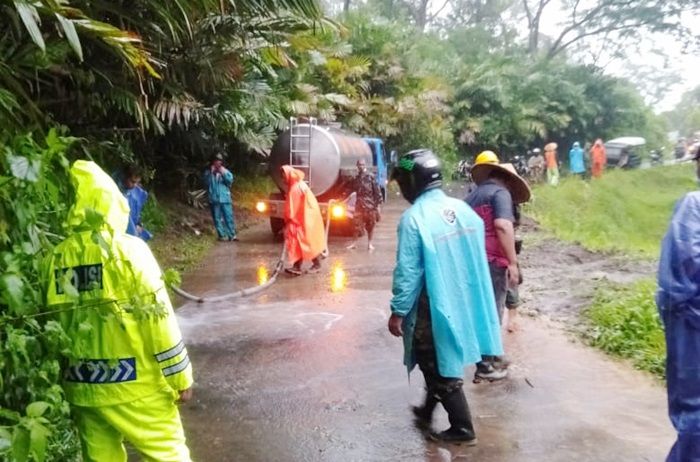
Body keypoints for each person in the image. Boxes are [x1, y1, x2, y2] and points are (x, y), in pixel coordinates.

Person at [44, 160, 193, 462]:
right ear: (113, 202)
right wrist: (180, 376)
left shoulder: (56, 258)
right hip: (136, 385)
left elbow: (53, 325)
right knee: (168, 453)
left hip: (83, 386)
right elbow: (159, 319)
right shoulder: (129, 251)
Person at [388, 149, 502, 444]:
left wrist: (398, 310)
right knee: (438, 361)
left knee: (435, 362)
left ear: (412, 182)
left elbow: (408, 271)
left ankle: (463, 428)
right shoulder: (463, 210)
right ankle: (426, 413)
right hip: (462, 299)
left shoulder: (414, 218)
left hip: (432, 305)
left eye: (402, 183)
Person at [467, 151, 531, 381]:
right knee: (492, 311)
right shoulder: (500, 193)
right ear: (507, 180)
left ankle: (492, 356)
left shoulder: (473, 197)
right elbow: (503, 226)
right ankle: (485, 366)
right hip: (493, 260)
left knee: (481, 309)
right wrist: (513, 263)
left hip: (473, 261)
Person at [657, 191, 700, 461]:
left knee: (693, 406)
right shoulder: (694, 205)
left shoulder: (693, 205)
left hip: (690, 319)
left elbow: (680, 271)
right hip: (690, 317)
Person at [281, 165, 326, 275]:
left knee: (302, 241)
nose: (283, 179)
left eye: (283, 176)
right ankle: (298, 266)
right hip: (308, 218)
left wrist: (287, 221)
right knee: (305, 241)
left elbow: (291, 210)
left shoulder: (295, 189)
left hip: (302, 219)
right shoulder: (300, 185)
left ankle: (314, 264)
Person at [346, 159, 382, 252]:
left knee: (370, 225)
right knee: (356, 225)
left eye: (362, 165)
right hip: (359, 205)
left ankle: (370, 243)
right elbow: (351, 191)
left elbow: (377, 192)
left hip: (370, 205)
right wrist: (343, 200)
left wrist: (378, 206)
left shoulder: (370, 177)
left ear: (365, 165)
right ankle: (354, 243)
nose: (361, 166)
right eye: (359, 165)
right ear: (357, 166)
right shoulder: (357, 178)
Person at [203, 153, 237, 241]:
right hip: (214, 199)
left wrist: (223, 173)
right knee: (217, 218)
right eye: (216, 161)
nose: (217, 163)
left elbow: (230, 181)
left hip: (225, 198)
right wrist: (211, 173)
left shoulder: (225, 171)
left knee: (228, 217)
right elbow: (206, 183)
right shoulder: (208, 173)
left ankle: (232, 235)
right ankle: (221, 235)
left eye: (219, 162)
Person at [115, 165, 152, 241]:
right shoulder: (114, 188)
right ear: (125, 177)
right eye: (132, 182)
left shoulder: (135, 191)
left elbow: (135, 212)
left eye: (137, 182)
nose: (135, 185)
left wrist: (138, 224)